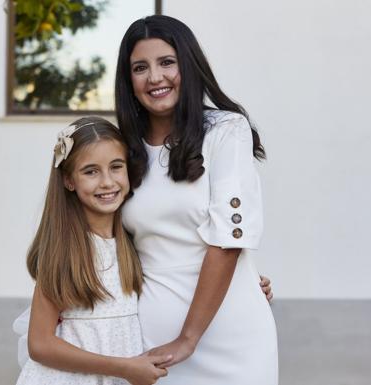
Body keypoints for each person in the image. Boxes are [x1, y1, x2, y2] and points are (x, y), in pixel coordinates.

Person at [115, 15, 278, 385]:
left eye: (167, 62)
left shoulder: (225, 131)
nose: (155, 77)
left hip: (230, 336)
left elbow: (228, 240)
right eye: (140, 67)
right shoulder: (122, 149)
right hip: (150, 339)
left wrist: (189, 339)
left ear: (188, 65)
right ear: (128, 81)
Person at [15, 116, 172, 385]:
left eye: (116, 167)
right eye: (91, 171)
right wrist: (123, 368)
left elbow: (180, 268)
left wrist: (244, 284)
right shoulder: (67, 251)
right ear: (69, 180)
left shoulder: (134, 242)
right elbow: (40, 344)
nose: (107, 182)